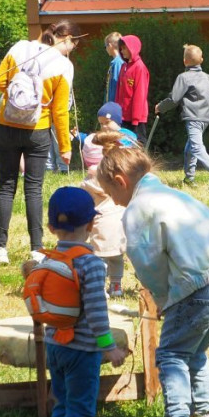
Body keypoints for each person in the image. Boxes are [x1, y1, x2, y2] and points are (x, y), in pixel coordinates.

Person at [95, 140, 209, 417]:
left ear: (121, 182)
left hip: (200, 283)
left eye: (111, 194)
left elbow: (148, 262)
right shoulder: (175, 195)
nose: (115, 202)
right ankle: (206, 413)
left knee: (171, 354)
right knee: (193, 348)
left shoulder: (139, 208)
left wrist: (164, 300)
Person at [32, 186, 127, 417]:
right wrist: (109, 347)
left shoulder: (48, 260)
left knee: (62, 405)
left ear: (51, 227)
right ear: (91, 224)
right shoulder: (91, 263)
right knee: (80, 410)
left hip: (54, 345)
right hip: (82, 351)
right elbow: (97, 313)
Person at [0, 20, 78, 265]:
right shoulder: (64, 66)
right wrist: (65, 147)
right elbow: (60, 111)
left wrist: (19, 97)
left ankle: (0, 248)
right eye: (74, 44)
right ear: (67, 39)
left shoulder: (20, 48)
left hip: (7, 124)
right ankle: (37, 248)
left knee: (6, 186)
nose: (72, 49)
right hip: (37, 131)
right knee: (33, 189)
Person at [155, 43, 209, 188]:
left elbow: (174, 99)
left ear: (184, 61)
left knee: (195, 146)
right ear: (202, 60)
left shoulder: (184, 77)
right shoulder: (208, 78)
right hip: (205, 118)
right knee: (190, 147)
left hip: (193, 118)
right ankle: (189, 178)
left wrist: (160, 107)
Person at [78, 127, 131, 297]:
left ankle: (99, 286)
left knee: (99, 260)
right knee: (116, 258)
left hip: (100, 227)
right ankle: (116, 286)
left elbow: (83, 206)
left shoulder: (87, 184)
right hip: (121, 227)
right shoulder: (119, 177)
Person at [115, 34, 150, 144]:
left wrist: (136, 118)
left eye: (124, 48)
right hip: (124, 115)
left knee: (138, 145)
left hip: (136, 117)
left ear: (132, 48)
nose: (122, 51)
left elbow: (140, 94)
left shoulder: (139, 67)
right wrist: (117, 111)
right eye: (121, 48)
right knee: (124, 144)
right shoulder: (124, 66)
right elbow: (118, 92)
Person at [104, 31, 124, 105]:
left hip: (113, 105)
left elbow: (116, 86)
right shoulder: (117, 62)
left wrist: (110, 106)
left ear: (110, 45)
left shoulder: (117, 63)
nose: (106, 49)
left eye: (105, 46)